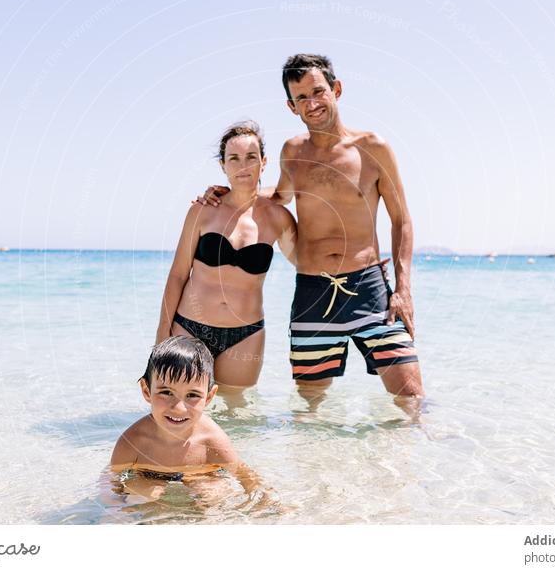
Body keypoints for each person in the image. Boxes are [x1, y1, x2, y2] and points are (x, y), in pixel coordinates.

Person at [199, 54, 424, 405]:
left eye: (318, 91)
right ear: (291, 107)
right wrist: (233, 190)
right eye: (301, 97)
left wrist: (404, 288)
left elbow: (402, 220)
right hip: (312, 293)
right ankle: (314, 463)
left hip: (370, 289)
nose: (312, 103)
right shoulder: (293, 152)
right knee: (310, 407)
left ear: (336, 89)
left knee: (411, 397)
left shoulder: (373, 148)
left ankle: (412, 457)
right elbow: (279, 196)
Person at [156, 121, 296, 388]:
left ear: (263, 162)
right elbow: (177, 275)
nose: (243, 166)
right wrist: (163, 333)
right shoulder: (203, 210)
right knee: (180, 409)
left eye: (250, 157)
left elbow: (307, 264)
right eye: (234, 158)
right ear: (223, 165)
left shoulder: (279, 218)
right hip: (189, 327)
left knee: (239, 420)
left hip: (246, 336)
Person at [110, 336, 272, 504]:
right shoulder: (133, 441)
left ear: (209, 397)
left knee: (215, 495)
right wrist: (112, 510)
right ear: (146, 390)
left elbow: (243, 473)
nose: (179, 408)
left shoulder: (211, 439)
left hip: (202, 475)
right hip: (148, 476)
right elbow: (111, 478)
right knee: (139, 497)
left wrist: (268, 500)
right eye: (166, 392)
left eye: (192, 395)